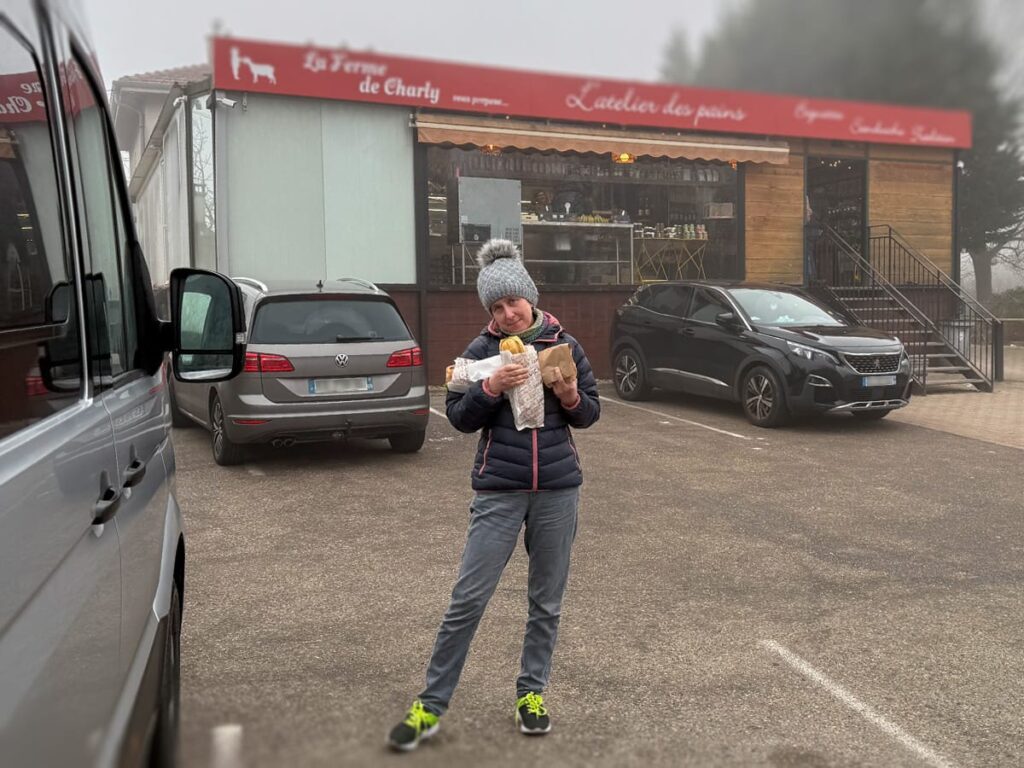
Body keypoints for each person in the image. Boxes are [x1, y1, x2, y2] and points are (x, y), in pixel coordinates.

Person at [387, 239, 600, 752]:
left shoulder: (562, 344)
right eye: (497, 307)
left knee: (545, 602)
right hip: (498, 491)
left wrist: (569, 395)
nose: (507, 314)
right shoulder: (479, 353)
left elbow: (589, 411)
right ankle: (430, 705)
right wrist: (488, 389)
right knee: (467, 599)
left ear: (530, 296)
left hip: (557, 488)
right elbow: (458, 419)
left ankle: (531, 694)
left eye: (513, 302)